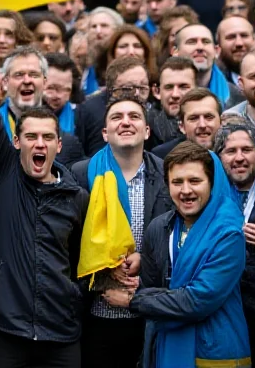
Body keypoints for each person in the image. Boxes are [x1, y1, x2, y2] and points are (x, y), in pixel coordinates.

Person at [0, 18, 90, 368]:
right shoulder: (5, 172)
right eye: (31, 137)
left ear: (60, 145)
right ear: (17, 142)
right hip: (6, 330)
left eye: (48, 137)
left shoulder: (76, 197)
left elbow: (81, 261)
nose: (39, 143)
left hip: (62, 332)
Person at [121, 141, 249, 368]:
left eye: (195, 181)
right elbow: (150, 286)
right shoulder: (159, 228)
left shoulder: (229, 233)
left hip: (215, 351)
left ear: (211, 183)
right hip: (164, 346)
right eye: (177, 182)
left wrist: (133, 300)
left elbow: (198, 300)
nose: (186, 190)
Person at [72, 96, 172, 368]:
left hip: (148, 310)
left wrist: (145, 261)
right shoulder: (81, 174)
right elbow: (70, 240)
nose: (126, 122)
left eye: (134, 116)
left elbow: (174, 234)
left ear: (147, 131)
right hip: (96, 311)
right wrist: (103, 268)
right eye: (117, 117)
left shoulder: (167, 174)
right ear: (105, 133)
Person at [215, 120, 255, 368]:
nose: (239, 158)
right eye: (231, 151)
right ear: (219, 156)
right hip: (222, 311)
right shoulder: (209, 196)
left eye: (247, 150)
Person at [0, 45, 84, 167]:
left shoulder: (68, 142)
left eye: (34, 74)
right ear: (5, 82)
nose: (26, 80)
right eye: (19, 74)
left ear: (44, 82)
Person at [76, 57, 151, 157]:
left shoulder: (154, 113)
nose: (137, 93)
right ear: (111, 90)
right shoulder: (89, 111)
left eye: (142, 88)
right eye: (128, 88)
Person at [172, 23, 243, 107]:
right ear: (175, 52)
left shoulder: (236, 97)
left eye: (206, 42)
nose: (200, 47)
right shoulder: (164, 94)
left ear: (216, 51)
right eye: (192, 42)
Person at [152, 88, 222, 160]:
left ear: (221, 121)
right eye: (194, 118)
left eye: (208, 117)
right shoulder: (161, 156)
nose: (202, 125)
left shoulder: (232, 152)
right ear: (182, 126)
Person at [148, 57, 197, 147]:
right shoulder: (145, 132)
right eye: (169, 87)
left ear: (197, 89)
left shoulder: (211, 126)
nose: (175, 95)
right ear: (157, 92)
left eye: (183, 87)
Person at [83, 7, 124, 95]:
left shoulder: (124, 59)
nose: (98, 31)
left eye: (104, 25)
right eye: (93, 26)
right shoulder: (82, 61)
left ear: (117, 29)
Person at [151, 5, 199, 70]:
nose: (180, 38)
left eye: (185, 33)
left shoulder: (206, 68)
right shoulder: (154, 67)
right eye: (176, 34)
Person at [43, 52, 80, 135]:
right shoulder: (20, 112)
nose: (59, 96)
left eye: (66, 90)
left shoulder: (81, 118)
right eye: (52, 88)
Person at [216, 16, 255, 87]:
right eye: (231, 37)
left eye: (244, 36)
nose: (239, 43)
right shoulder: (212, 84)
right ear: (219, 44)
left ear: (254, 40)